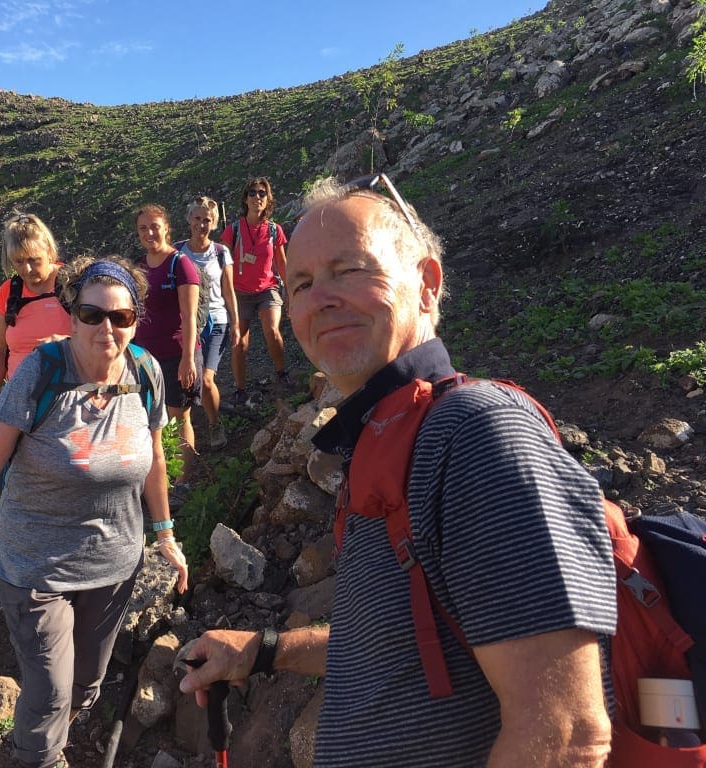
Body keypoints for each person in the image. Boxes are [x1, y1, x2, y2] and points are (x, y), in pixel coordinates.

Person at [179, 175, 617, 767]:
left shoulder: (476, 434)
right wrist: (265, 649)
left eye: (349, 269)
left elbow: (564, 734)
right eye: (302, 283)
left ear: (427, 285)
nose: (319, 298)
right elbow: (407, 639)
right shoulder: (388, 441)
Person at [0, 255, 189, 768]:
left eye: (121, 317)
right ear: (71, 313)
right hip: (36, 566)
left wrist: (166, 533)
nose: (107, 327)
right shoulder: (42, 371)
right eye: (91, 314)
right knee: (51, 692)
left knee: (86, 685)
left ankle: (56, 735)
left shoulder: (146, 372)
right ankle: (39, 756)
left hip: (114, 564)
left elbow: (154, 461)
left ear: (135, 320)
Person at [0, 212, 71, 425]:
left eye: (33, 260)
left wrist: (65, 343)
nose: (26, 269)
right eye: (18, 261)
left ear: (49, 251)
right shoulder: (9, 292)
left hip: (70, 400)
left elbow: (100, 337)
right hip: (18, 402)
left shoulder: (73, 284)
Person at [133, 203, 202, 487]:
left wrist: (188, 359)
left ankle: (183, 482)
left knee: (179, 417)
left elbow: (189, 316)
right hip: (144, 358)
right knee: (152, 421)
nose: (150, 233)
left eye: (154, 226)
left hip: (176, 355)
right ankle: (158, 479)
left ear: (166, 228)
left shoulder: (181, 265)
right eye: (143, 228)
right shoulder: (138, 267)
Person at [219, 177, 290, 406]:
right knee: (240, 342)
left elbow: (281, 263)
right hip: (239, 292)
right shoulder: (233, 230)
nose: (256, 197)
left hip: (267, 288)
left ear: (268, 199)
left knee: (272, 331)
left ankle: (282, 374)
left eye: (262, 193)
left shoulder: (273, 230)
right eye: (252, 193)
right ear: (245, 198)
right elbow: (224, 264)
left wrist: (290, 292)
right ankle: (240, 389)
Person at [175, 196, 238, 449]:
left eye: (207, 220)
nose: (201, 224)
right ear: (189, 219)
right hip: (189, 322)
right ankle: (184, 426)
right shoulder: (178, 252)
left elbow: (229, 291)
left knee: (207, 378)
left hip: (217, 320)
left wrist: (235, 324)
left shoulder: (221, 253)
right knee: (187, 375)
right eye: (198, 219)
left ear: (214, 224)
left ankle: (214, 424)